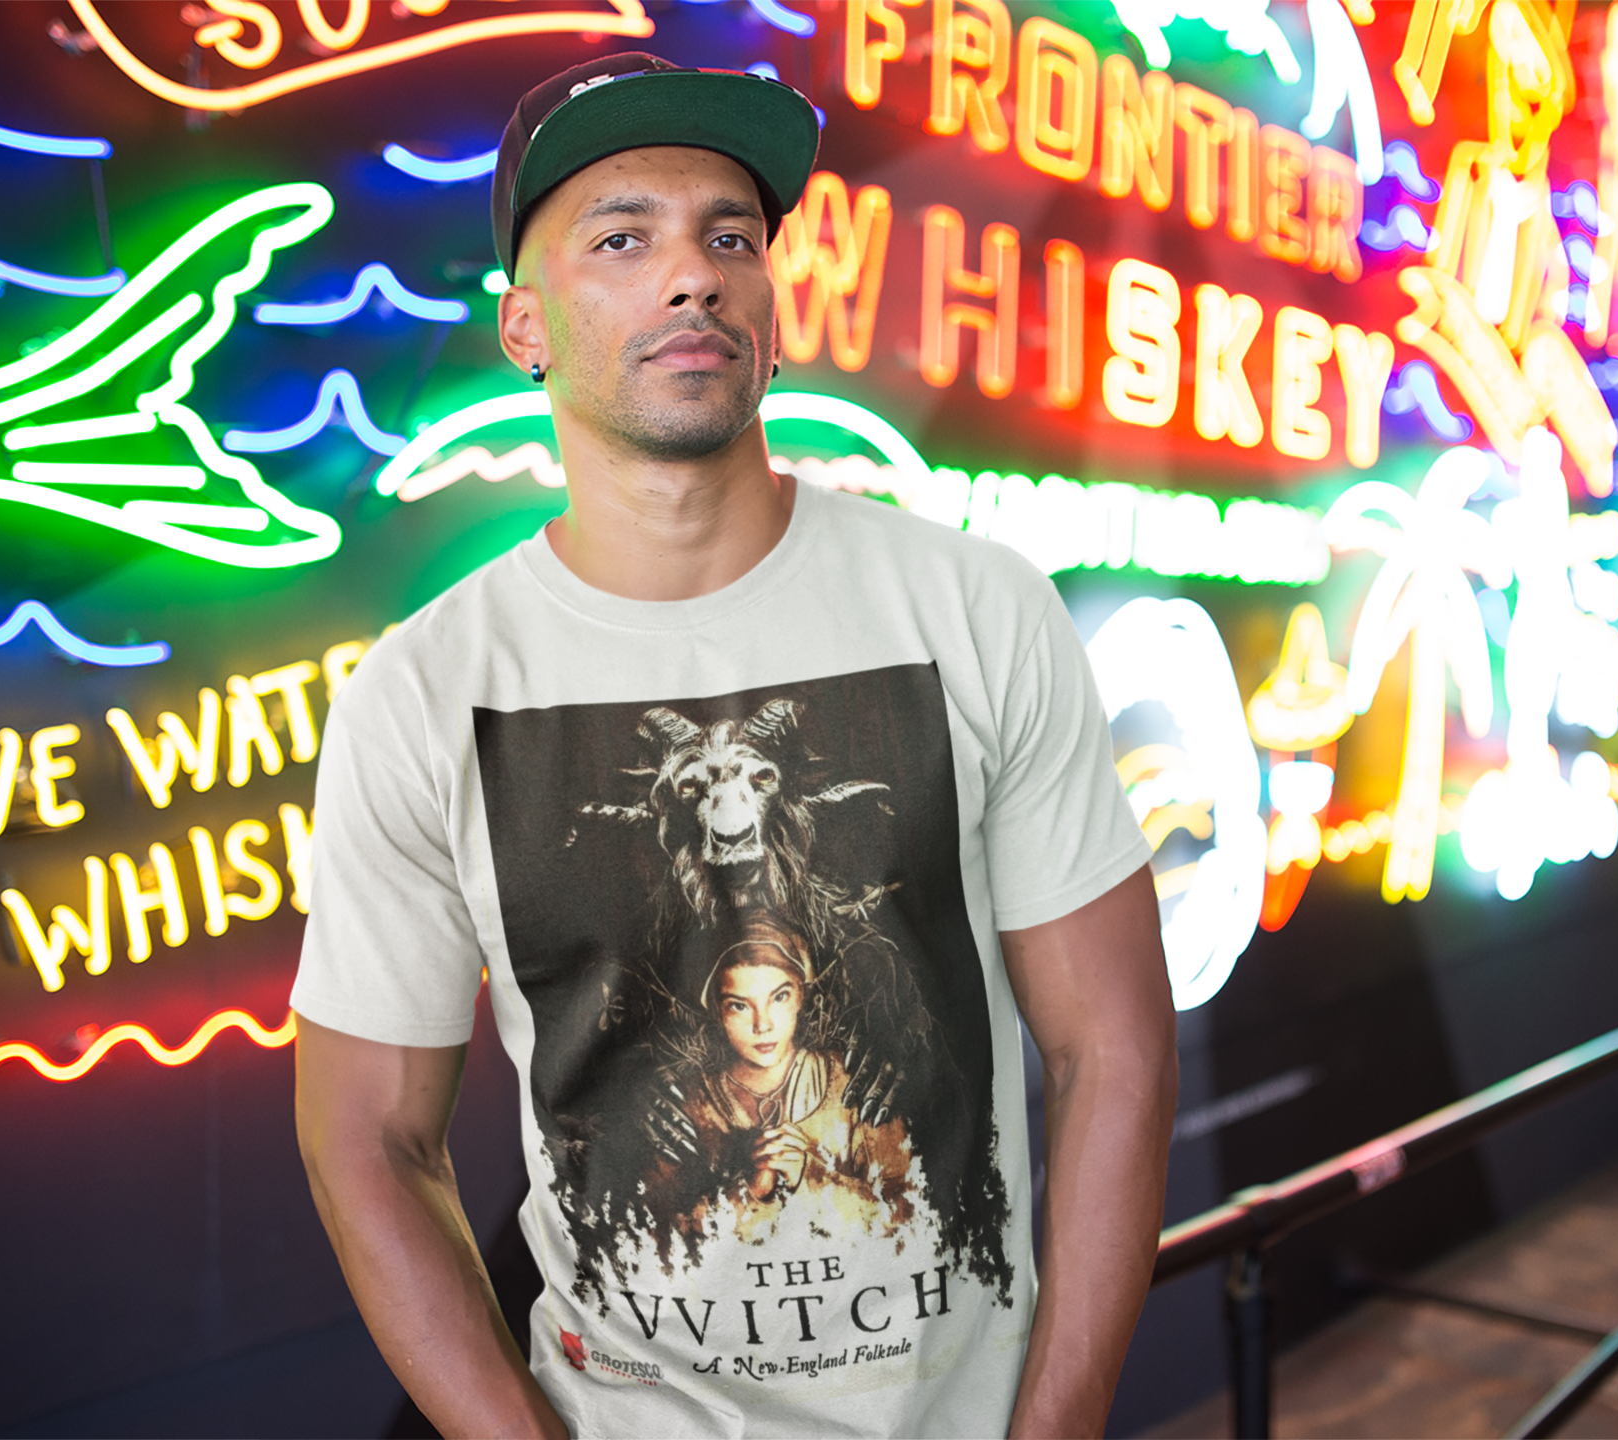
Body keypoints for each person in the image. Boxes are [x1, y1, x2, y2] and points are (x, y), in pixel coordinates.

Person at [291, 50, 1178, 1440]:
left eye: (730, 239)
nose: (692, 277)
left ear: (769, 307)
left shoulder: (974, 607)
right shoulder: (426, 693)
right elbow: (368, 1137)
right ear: (524, 326)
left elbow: (1113, 1048)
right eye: (622, 239)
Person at [644, 911, 915, 1235]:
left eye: (779, 997)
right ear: (717, 1010)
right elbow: (651, 1233)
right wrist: (749, 1191)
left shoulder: (855, 1083)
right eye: (739, 1005)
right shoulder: (685, 1105)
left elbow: (909, 1215)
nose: (763, 1024)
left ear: (800, 995)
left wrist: (810, 1175)